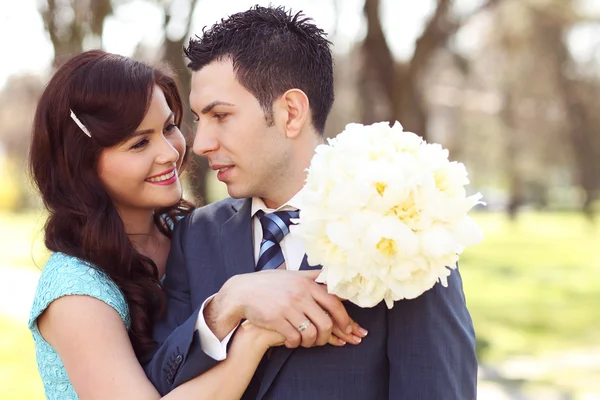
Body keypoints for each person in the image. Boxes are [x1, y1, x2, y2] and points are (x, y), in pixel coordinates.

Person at [145, 5, 478, 400]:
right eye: (200, 119)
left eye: (221, 115)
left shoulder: (407, 228)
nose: (200, 144)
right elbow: (156, 383)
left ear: (291, 112)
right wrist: (225, 306)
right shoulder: (194, 235)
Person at [27, 50, 355, 400]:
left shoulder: (195, 231)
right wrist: (249, 325)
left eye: (169, 127)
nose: (171, 152)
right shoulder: (76, 290)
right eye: (139, 143)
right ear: (83, 164)